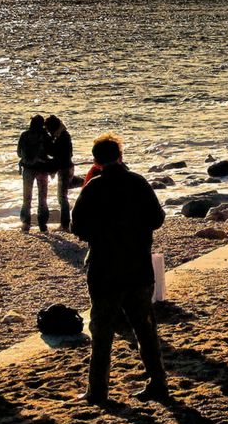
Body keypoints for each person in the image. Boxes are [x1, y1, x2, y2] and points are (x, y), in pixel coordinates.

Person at [71, 138, 168, 405]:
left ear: (96, 161)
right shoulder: (137, 182)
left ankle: (98, 390)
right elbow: (157, 219)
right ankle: (158, 382)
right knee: (145, 329)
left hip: (105, 268)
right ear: (120, 156)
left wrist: (100, 235)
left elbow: (76, 226)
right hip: (137, 266)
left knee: (102, 332)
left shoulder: (94, 187)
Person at [17, 114, 52, 233]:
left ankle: (26, 223)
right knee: (42, 198)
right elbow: (51, 151)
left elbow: (19, 153)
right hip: (42, 168)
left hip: (27, 169)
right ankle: (42, 224)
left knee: (27, 198)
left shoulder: (24, 135)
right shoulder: (44, 135)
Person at [45, 115, 74, 232]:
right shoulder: (63, 135)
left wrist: (49, 142)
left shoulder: (62, 137)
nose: (48, 131)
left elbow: (55, 153)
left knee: (62, 197)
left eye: (48, 129)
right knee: (64, 193)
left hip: (64, 168)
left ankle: (65, 224)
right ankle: (84, 181)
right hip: (67, 167)